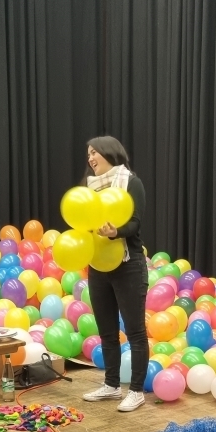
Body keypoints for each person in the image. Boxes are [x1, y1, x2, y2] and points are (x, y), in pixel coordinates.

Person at [81, 136, 149, 412]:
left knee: (135, 331)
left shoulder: (132, 183)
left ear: (109, 152)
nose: (90, 158)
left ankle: (136, 391)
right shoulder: (89, 188)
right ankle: (111, 385)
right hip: (98, 266)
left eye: (94, 152)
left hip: (128, 265)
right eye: (88, 154)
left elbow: (135, 224)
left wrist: (114, 232)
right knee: (107, 331)